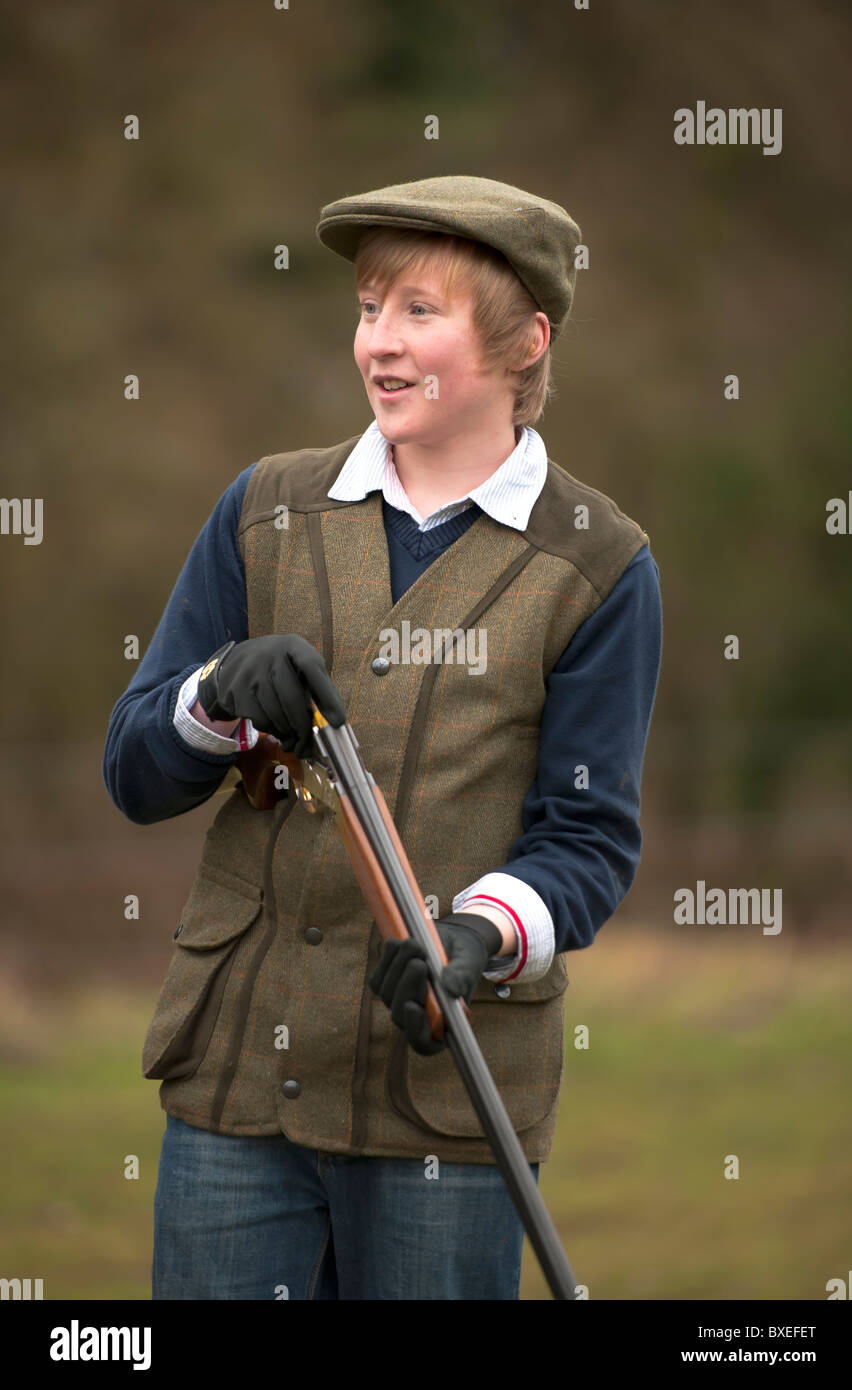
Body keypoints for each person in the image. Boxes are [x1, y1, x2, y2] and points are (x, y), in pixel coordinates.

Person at [102, 174, 663, 1300]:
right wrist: (214, 696)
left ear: (523, 340)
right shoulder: (261, 509)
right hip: (231, 1098)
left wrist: (476, 937)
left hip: (445, 1103)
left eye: (419, 311)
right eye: (368, 309)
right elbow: (133, 772)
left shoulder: (600, 566)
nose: (379, 344)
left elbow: (587, 840)